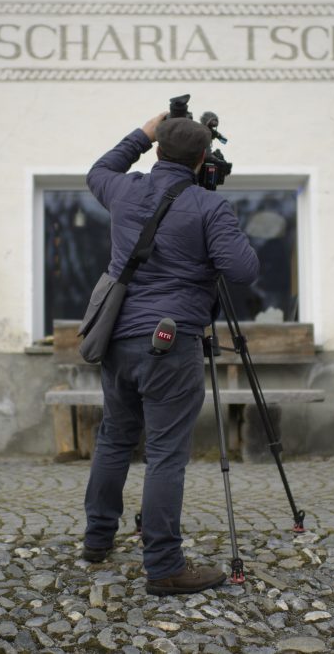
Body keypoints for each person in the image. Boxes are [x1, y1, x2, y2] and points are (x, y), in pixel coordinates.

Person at [81, 110, 259, 596]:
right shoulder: (208, 205)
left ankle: (97, 539)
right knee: (164, 454)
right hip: (170, 342)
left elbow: (99, 169)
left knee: (115, 438)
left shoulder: (125, 189)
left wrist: (143, 131)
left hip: (119, 337)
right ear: (203, 158)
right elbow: (243, 270)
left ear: (158, 150)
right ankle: (163, 567)